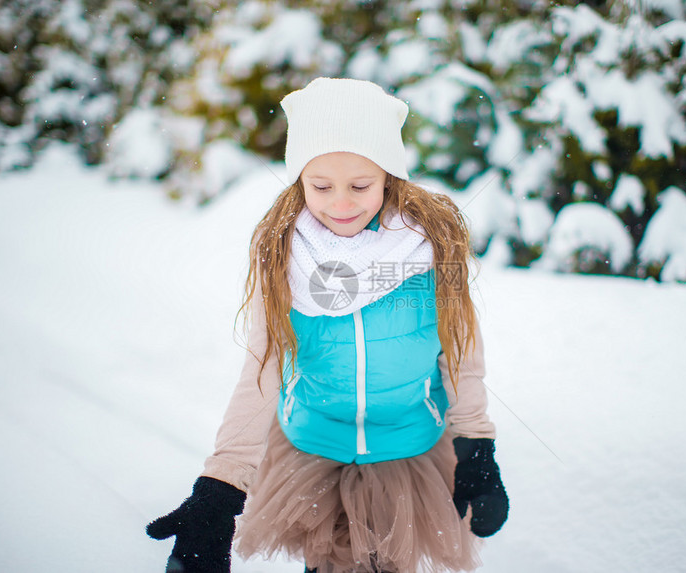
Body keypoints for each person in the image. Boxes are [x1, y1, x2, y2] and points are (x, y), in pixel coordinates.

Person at [146, 77, 509, 573]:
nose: (341, 204)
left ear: (389, 177)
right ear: (299, 181)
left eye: (360, 185)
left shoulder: (430, 251)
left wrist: (476, 446)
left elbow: (461, 351)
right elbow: (262, 371)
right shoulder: (284, 257)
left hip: (406, 447)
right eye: (321, 186)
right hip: (313, 448)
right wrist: (220, 488)